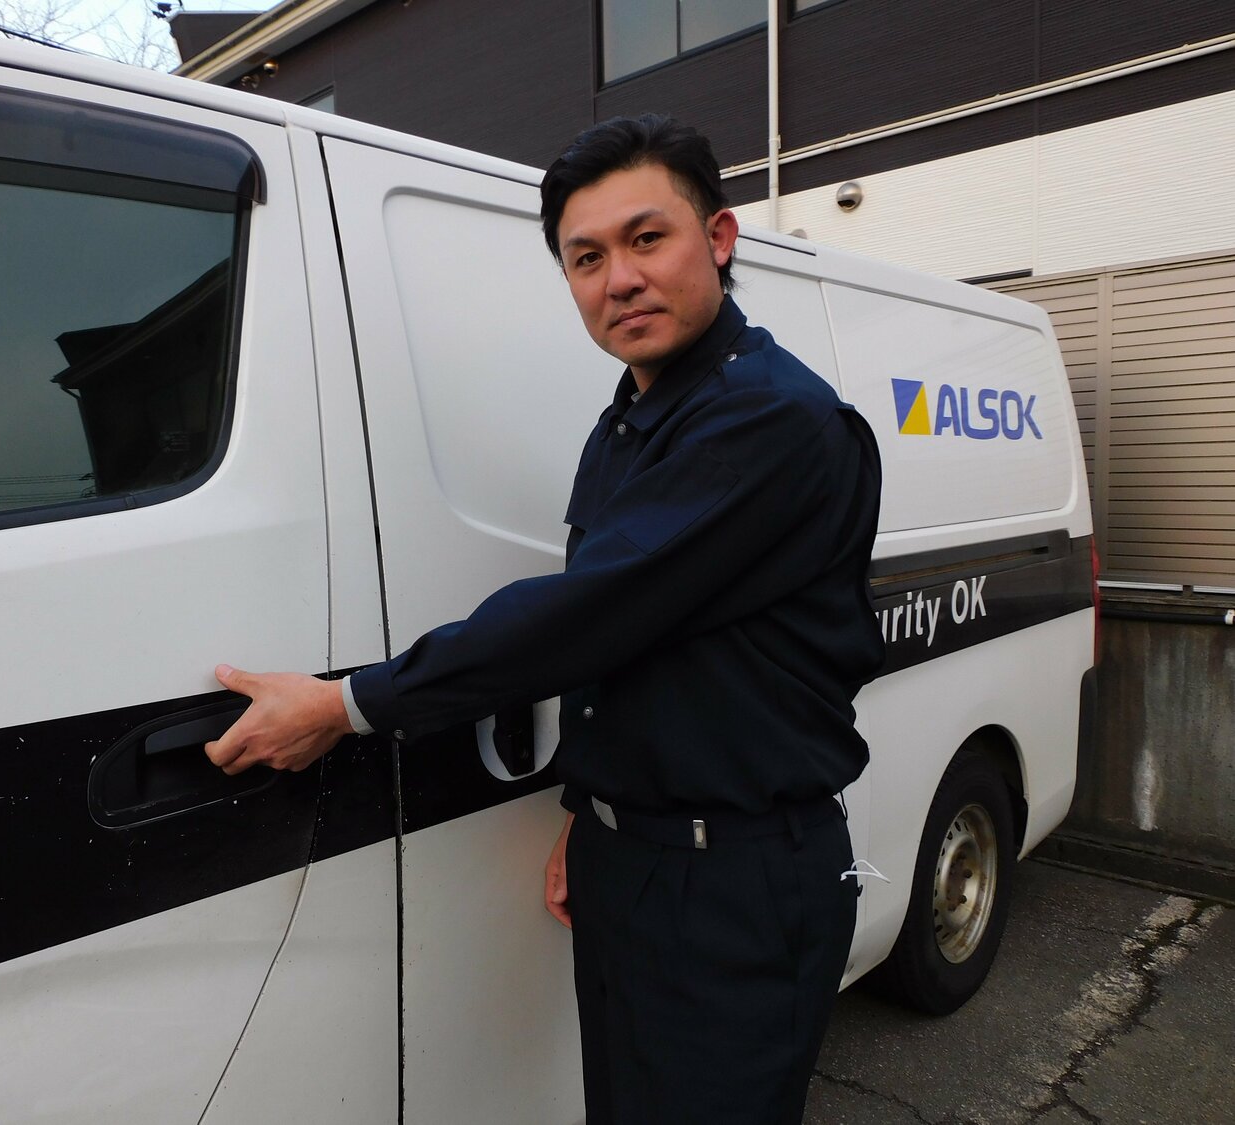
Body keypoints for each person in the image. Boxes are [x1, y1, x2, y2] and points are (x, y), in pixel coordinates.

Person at [204, 114, 884, 1123]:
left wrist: (348, 705)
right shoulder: (633, 419)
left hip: (734, 882)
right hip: (645, 860)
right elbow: (642, 646)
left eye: (648, 238)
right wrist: (600, 808)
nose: (620, 278)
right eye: (587, 256)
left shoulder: (767, 418)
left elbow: (584, 613)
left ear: (721, 238)